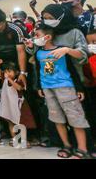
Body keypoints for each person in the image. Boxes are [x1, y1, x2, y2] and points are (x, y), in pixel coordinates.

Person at [34, 24, 91, 159]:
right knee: (57, 118)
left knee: (75, 117)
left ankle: (83, 149)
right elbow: (39, 71)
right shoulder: (39, 53)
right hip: (48, 88)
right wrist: (39, 87)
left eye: (37, 35)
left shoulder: (62, 50)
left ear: (47, 37)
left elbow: (73, 68)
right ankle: (66, 145)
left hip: (65, 87)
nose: (35, 38)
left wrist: (78, 88)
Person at [0, 62, 37, 147]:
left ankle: (23, 140)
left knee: (21, 123)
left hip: (19, 105)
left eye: (9, 71)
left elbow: (19, 88)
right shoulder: (4, 80)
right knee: (10, 121)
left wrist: (10, 80)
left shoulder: (19, 79)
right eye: (6, 72)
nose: (7, 74)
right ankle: (14, 139)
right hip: (8, 104)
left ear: (16, 72)